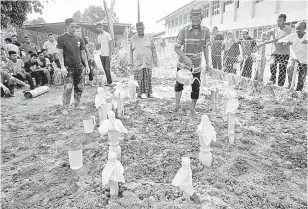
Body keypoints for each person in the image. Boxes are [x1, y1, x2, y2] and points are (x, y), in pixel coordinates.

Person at [174, 7, 210, 115]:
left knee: (196, 87)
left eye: (198, 21)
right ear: (190, 18)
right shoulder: (184, 31)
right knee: (179, 85)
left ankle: (192, 108)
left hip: (197, 65)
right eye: (193, 20)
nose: (195, 23)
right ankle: (177, 105)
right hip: (183, 65)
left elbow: (205, 48)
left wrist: (208, 63)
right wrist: (185, 58)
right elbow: (176, 47)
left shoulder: (206, 31)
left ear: (201, 19)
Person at [57, 18, 90, 115]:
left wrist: (87, 66)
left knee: (79, 87)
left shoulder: (79, 39)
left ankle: (77, 104)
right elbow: (60, 53)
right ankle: (65, 107)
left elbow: (83, 53)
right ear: (66, 27)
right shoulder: (62, 38)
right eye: (72, 26)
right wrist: (62, 66)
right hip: (68, 68)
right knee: (68, 87)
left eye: (75, 26)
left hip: (79, 67)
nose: (74, 28)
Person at [258, 14, 292, 86]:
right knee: (272, 66)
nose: (278, 22)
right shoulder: (275, 29)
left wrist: (264, 43)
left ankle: (280, 86)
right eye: (277, 21)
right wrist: (264, 35)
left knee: (282, 71)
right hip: (275, 52)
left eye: (280, 21)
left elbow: (279, 39)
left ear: (284, 21)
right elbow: (264, 33)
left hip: (284, 54)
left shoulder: (288, 29)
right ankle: (272, 83)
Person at [128, 22, 158, 98]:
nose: (140, 30)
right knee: (138, 78)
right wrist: (130, 62)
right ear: (136, 29)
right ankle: (138, 93)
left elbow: (153, 49)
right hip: (138, 62)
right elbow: (130, 51)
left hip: (147, 61)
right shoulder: (133, 38)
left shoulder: (149, 38)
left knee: (147, 77)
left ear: (144, 28)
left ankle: (147, 93)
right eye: (138, 29)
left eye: (141, 28)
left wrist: (155, 60)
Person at [278, 21, 307, 91]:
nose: (297, 30)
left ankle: (299, 90)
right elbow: (280, 40)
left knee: (301, 77)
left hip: (305, 60)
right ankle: (290, 85)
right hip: (294, 58)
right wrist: (285, 42)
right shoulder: (293, 36)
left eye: (299, 28)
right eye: (296, 28)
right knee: (289, 69)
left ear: (304, 28)